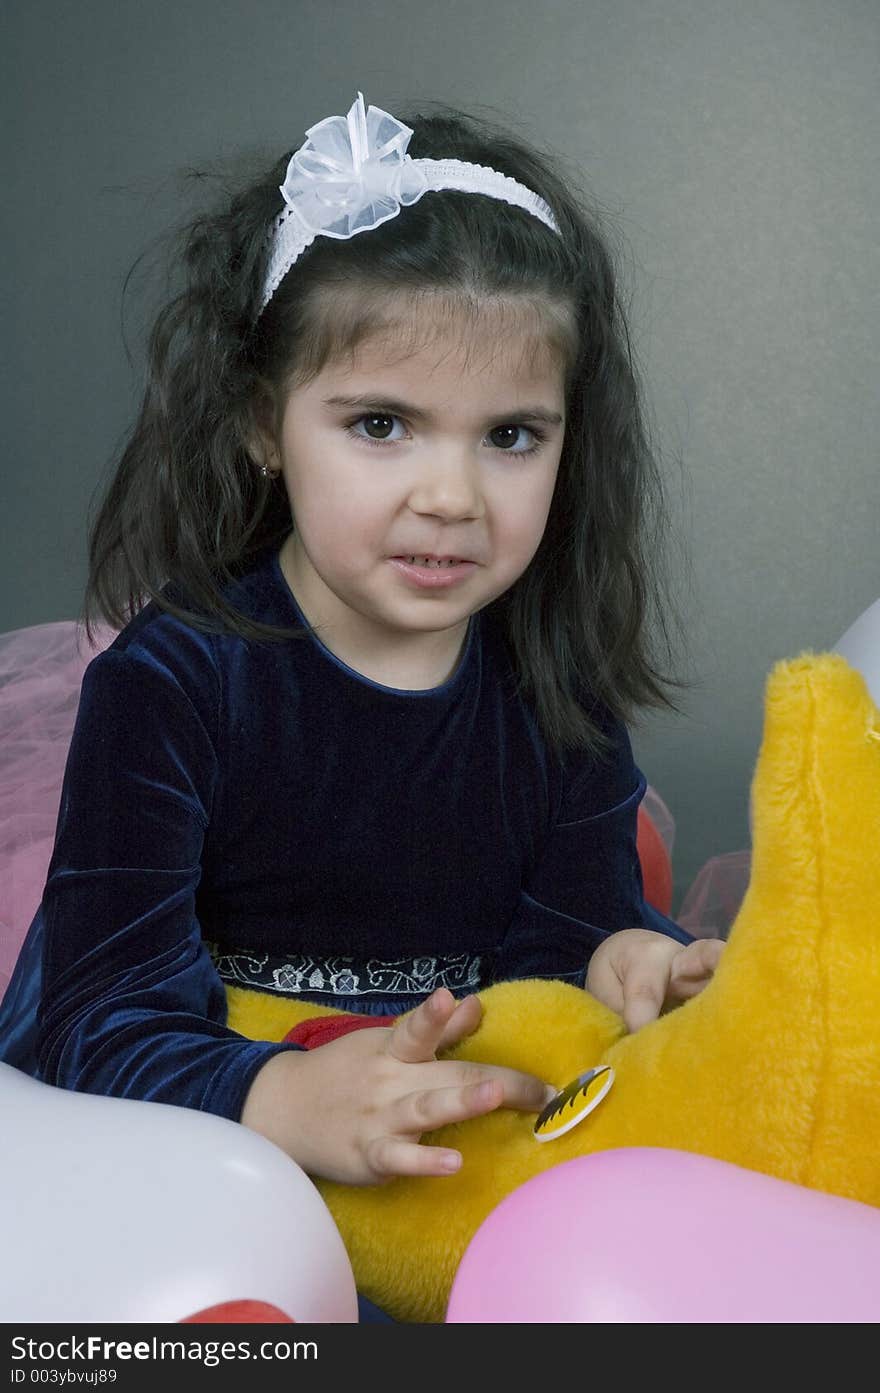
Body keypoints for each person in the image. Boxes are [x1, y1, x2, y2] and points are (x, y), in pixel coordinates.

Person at [0, 92, 723, 1195]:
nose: (450, 496)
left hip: (440, 1119)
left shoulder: (555, 690)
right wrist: (274, 1095)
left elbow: (549, 956)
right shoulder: (174, 685)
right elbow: (98, 1018)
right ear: (261, 422)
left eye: (511, 436)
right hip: (210, 1126)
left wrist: (610, 959)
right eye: (380, 425)